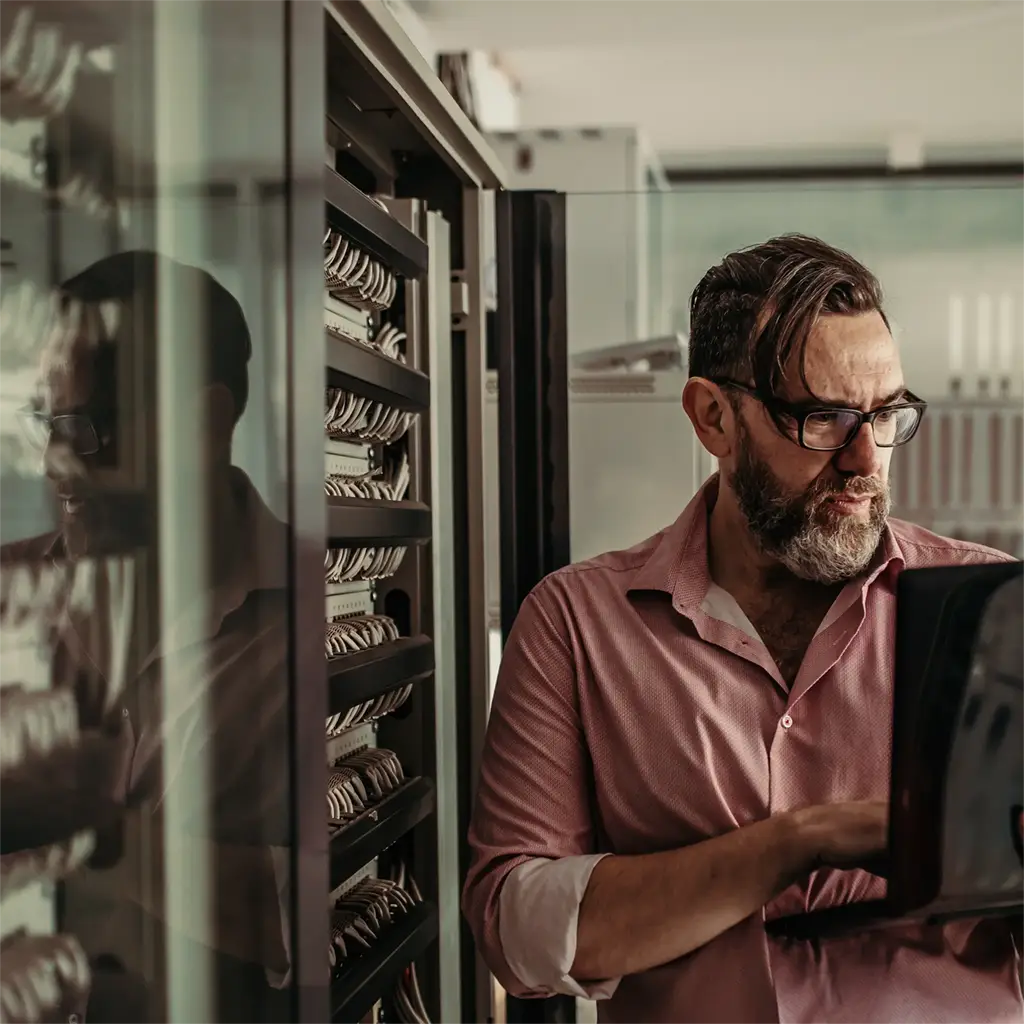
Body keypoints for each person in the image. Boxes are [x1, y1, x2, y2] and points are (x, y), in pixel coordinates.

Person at [463, 235, 1023, 1023]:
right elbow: (516, 932)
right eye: (823, 420)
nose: (866, 458)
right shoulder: (575, 623)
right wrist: (800, 840)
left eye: (887, 414)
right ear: (714, 418)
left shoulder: (992, 611)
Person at [1, 251, 293, 1023]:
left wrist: (98, 848)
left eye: (84, 428)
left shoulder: (315, 614)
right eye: (41, 423)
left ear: (204, 421)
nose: (54, 464)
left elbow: (306, 908)